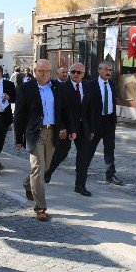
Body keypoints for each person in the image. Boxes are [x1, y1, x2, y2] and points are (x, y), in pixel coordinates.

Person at [14, 59, 74, 220]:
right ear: (35, 72)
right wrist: (18, 137)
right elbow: (19, 115)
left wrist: (70, 128)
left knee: (46, 166)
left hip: (52, 132)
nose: (46, 74)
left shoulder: (57, 87)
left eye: (48, 71)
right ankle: (40, 207)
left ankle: (28, 184)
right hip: (35, 133)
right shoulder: (25, 88)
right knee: (38, 168)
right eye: (42, 71)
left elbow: (65, 109)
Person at [44, 62, 92, 195]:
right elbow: (58, 109)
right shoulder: (62, 87)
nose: (75, 74)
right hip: (67, 126)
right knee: (61, 153)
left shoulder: (87, 87)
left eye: (78, 72)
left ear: (83, 74)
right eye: (73, 72)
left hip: (83, 127)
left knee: (83, 157)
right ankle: (48, 172)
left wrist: (91, 129)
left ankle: (80, 185)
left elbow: (90, 109)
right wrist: (62, 127)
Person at [83, 61, 122, 185]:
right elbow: (86, 105)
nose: (108, 72)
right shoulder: (91, 85)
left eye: (110, 70)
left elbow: (112, 102)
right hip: (95, 121)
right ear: (99, 71)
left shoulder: (112, 84)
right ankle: (83, 169)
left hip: (109, 121)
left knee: (110, 148)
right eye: (106, 69)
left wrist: (114, 120)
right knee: (90, 147)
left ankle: (110, 174)